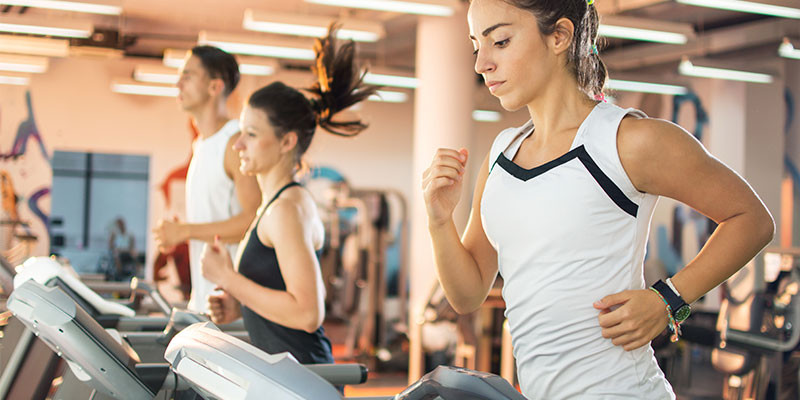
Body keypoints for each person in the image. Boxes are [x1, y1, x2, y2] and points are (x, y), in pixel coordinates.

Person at [422, 0, 775, 398]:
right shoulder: (502, 156)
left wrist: (668, 300)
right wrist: (439, 220)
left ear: (559, 36)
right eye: (475, 45)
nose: (481, 63)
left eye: (499, 41)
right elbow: (467, 294)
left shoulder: (626, 141)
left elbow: (752, 219)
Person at [199, 25, 378, 365]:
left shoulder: (286, 209)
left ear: (286, 142)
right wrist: (237, 304)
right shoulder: (275, 204)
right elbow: (287, 300)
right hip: (286, 375)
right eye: (241, 133)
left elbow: (308, 312)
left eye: (251, 134)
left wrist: (227, 278)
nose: (238, 144)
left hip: (304, 380)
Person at [153, 46, 261, 313]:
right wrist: (180, 232)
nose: (178, 83)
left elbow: (254, 221)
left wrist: (185, 231)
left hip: (233, 309)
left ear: (214, 87)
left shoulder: (235, 141)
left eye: (188, 75)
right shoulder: (201, 145)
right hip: (205, 304)